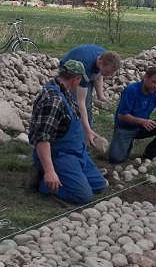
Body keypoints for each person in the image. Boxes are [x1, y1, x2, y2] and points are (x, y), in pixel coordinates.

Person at [27, 60, 106, 204]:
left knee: (99, 185)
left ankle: (69, 177)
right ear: (76, 79)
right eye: (80, 80)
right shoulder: (54, 101)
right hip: (61, 155)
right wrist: (50, 172)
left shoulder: (66, 91)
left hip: (77, 152)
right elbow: (41, 138)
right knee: (83, 196)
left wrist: (87, 131)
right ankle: (43, 180)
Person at [108, 67, 156, 163]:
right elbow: (122, 116)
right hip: (125, 127)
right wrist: (142, 121)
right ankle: (127, 142)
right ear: (145, 78)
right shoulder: (131, 90)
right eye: (154, 82)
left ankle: (150, 154)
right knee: (116, 159)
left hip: (143, 126)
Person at [59, 45, 121, 146]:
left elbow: (99, 75)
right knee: (75, 106)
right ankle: (78, 138)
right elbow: (80, 103)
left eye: (110, 73)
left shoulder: (107, 58)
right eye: (107, 72)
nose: (108, 75)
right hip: (68, 70)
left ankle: (88, 136)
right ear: (100, 62)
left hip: (88, 69)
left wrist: (101, 96)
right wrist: (87, 130)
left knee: (88, 106)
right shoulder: (85, 68)